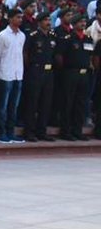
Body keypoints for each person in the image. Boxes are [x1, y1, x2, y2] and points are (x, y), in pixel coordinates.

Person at [56, 13, 93, 141]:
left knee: (80, 103)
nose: (83, 24)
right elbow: (60, 57)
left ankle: (77, 130)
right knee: (68, 102)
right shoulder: (68, 38)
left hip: (84, 74)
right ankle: (66, 131)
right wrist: (65, 70)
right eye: (80, 22)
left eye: (84, 22)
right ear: (74, 23)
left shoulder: (88, 38)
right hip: (70, 73)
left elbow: (90, 56)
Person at [0, 8, 26, 143]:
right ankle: (1, 133)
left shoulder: (22, 35)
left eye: (21, 18)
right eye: (17, 17)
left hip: (18, 74)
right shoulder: (3, 35)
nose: (20, 20)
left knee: (14, 105)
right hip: (5, 74)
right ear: (10, 18)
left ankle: (11, 132)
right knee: (3, 106)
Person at [22, 13, 57, 142]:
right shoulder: (33, 36)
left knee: (46, 103)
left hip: (49, 71)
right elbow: (25, 53)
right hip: (35, 70)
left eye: (49, 19)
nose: (48, 22)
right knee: (32, 102)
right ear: (39, 22)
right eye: (46, 20)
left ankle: (42, 131)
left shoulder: (53, 36)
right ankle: (29, 131)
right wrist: (29, 68)